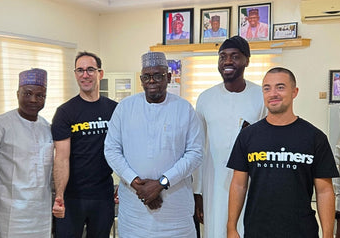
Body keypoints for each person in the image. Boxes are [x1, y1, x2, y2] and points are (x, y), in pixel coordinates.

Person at [227, 67, 339, 238]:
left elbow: (324, 191)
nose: (273, 93)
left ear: (295, 92)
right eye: (267, 88)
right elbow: (238, 184)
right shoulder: (248, 136)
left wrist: (328, 234)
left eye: (280, 87)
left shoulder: (315, 137)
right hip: (257, 230)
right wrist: (231, 227)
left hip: (302, 231)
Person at [104, 51, 204, 237]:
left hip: (175, 214)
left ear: (168, 76)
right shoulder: (125, 108)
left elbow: (195, 153)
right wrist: (136, 183)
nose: (152, 81)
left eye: (158, 75)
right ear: (141, 79)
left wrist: (161, 183)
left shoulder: (184, 109)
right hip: (135, 213)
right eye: (147, 76)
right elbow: (111, 150)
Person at [193, 35, 267, 237]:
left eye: (235, 56)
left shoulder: (261, 96)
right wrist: (197, 192)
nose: (227, 61)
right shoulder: (205, 98)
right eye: (222, 56)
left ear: (247, 61)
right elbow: (198, 147)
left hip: (250, 183)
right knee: (215, 229)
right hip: (213, 182)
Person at [51, 51, 117, 237]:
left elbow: (124, 150)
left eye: (90, 69)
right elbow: (61, 158)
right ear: (75, 74)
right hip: (72, 197)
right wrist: (59, 196)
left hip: (103, 195)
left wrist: (127, 182)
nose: (85, 75)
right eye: (80, 70)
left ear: (100, 73)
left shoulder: (115, 110)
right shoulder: (65, 112)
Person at [0, 68, 53, 237]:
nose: (33, 100)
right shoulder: (0, 126)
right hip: (10, 214)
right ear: (17, 94)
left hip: (41, 214)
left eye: (40, 95)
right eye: (27, 94)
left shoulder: (47, 128)